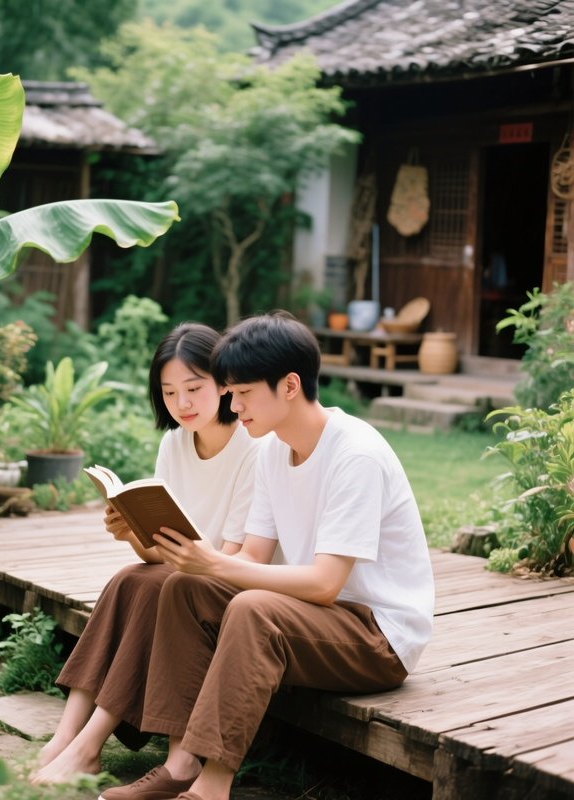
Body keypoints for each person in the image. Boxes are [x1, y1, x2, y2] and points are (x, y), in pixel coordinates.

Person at [100, 311, 434, 800]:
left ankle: (210, 789)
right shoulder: (275, 450)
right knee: (188, 586)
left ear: (290, 385)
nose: (232, 405)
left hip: (377, 636)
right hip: (320, 619)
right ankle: (179, 764)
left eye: (243, 392)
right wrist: (197, 564)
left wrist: (215, 563)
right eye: (230, 392)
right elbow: (254, 555)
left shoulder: (355, 454)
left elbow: (325, 584)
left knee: (252, 608)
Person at [29, 322, 261, 785]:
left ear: (223, 383)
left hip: (226, 579)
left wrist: (178, 557)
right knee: (127, 579)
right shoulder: (175, 442)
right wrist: (129, 531)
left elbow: (231, 559)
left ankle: (87, 746)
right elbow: (158, 551)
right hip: (184, 571)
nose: (183, 404)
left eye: (194, 388)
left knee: (162, 587)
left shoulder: (251, 447)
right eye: (170, 392)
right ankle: (67, 736)